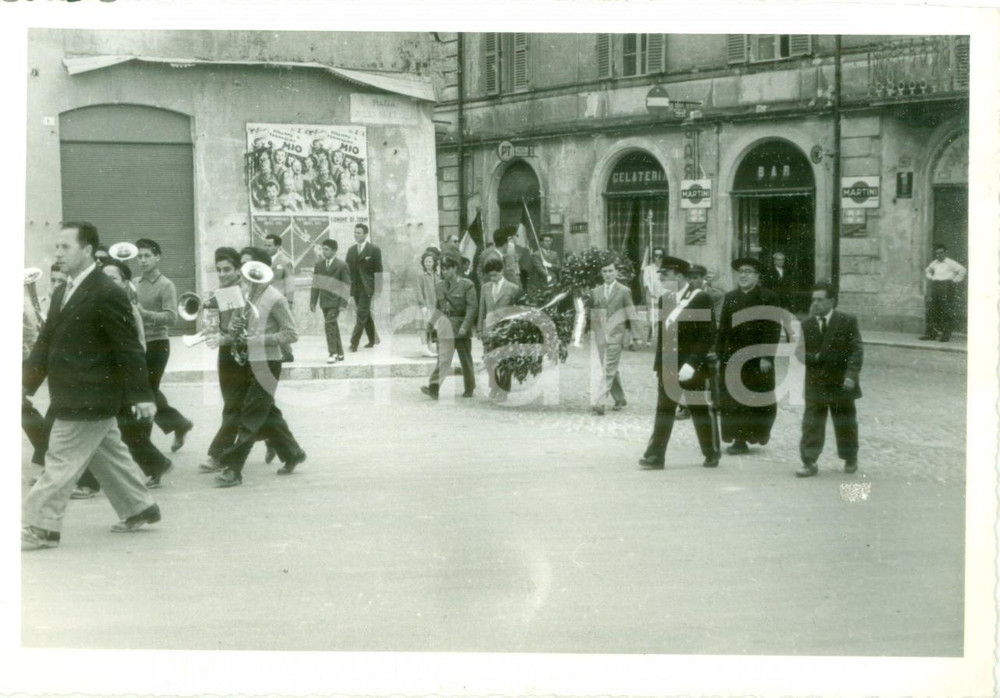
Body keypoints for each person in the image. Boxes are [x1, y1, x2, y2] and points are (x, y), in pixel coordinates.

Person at [22, 222, 161, 550]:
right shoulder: (63, 290)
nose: (57, 253)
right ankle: (139, 507)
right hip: (76, 392)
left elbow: (128, 347)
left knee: (59, 459)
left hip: (89, 395)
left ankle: (42, 528)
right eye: (56, 247)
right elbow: (45, 343)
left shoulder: (107, 291)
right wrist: (24, 385)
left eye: (65, 247)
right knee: (108, 454)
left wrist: (142, 394)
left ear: (87, 251)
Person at [73, 258, 174, 496]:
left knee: (102, 430)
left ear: (126, 283)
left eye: (114, 278)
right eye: (104, 277)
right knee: (117, 431)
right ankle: (156, 464)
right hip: (103, 379)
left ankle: (89, 482)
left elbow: (137, 348)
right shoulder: (101, 305)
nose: (107, 282)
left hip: (117, 380)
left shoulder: (127, 309)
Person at [214, 249, 307, 488]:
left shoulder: (276, 297)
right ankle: (293, 453)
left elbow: (291, 334)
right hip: (248, 362)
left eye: (250, 266)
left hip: (268, 363)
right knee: (268, 413)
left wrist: (258, 339)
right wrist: (229, 334)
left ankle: (233, 469)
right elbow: (241, 331)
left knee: (251, 415)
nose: (246, 272)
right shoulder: (247, 294)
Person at [639, 262, 721, 469]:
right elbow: (663, 337)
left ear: (681, 276)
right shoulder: (664, 299)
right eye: (661, 274)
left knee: (699, 409)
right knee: (664, 410)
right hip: (668, 365)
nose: (661, 278)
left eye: (666, 274)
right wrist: (658, 366)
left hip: (692, 366)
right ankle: (655, 456)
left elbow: (707, 334)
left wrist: (692, 363)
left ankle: (711, 451)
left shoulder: (700, 298)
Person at [716, 257, 782, 455]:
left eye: (748, 271)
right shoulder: (731, 297)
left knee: (755, 398)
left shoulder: (768, 297)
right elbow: (723, 329)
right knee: (732, 400)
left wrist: (766, 357)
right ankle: (738, 439)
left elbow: (773, 329)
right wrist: (719, 353)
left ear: (757, 275)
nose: (743, 275)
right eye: (740, 272)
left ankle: (757, 434)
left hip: (756, 359)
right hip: (732, 357)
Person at [796, 282, 863, 477]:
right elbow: (800, 353)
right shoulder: (807, 324)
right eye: (813, 300)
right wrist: (813, 357)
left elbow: (856, 350)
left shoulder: (847, 320)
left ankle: (850, 458)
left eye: (820, 299)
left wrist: (851, 375)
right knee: (811, 424)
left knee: (846, 423)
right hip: (816, 382)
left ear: (831, 301)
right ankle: (809, 461)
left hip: (841, 382)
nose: (815, 303)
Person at [134, 238, 194, 453]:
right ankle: (179, 424)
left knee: (146, 393)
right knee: (148, 392)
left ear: (157, 257)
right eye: (139, 256)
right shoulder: (133, 283)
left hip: (158, 344)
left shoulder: (166, 285)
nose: (142, 260)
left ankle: (143, 446)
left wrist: (144, 314)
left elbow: (171, 318)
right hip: (138, 344)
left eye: (147, 255)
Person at [199, 247, 246, 474]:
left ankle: (217, 454)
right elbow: (221, 326)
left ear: (238, 269)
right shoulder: (224, 290)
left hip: (242, 353)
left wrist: (222, 338)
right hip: (226, 352)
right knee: (241, 404)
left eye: (227, 269)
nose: (223, 273)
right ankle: (284, 446)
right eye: (219, 270)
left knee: (232, 405)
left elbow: (237, 329)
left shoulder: (243, 291)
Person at [421, 255, 477, 400]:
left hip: (460, 327)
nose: (444, 272)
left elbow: (472, 308)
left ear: (455, 269)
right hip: (445, 327)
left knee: (465, 359)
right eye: (442, 269)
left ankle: (469, 386)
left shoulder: (467, 285)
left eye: (447, 269)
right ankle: (434, 387)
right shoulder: (439, 286)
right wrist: (430, 324)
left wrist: (465, 327)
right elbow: (439, 308)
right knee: (443, 358)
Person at [589, 258, 638, 416]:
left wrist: (636, 336)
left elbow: (631, 312)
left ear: (616, 272)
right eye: (604, 271)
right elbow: (594, 313)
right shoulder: (595, 291)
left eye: (610, 271)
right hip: (601, 335)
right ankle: (620, 398)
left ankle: (600, 400)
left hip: (617, 334)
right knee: (610, 367)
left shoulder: (624, 290)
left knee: (609, 367)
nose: (608, 274)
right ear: (601, 273)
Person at [478, 257, 523, 400]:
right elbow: (481, 309)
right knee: (489, 359)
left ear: (502, 271)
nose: (492, 278)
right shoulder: (485, 287)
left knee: (505, 360)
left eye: (495, 275)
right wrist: (480, 329)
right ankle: (494, 386)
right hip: (489, 328)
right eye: (490, 275)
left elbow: (517, 311)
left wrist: (516, 330)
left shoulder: (513, 288)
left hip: (507, 330)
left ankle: (504, 389)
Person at [310, 239, 351, 363]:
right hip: (324, 302)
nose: (324, 252)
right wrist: (313, 301)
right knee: (333, 326)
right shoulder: (319, 265)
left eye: (327, 249)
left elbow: (346, 285)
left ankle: (332, 353)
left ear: (334, 251)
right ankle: (340, 353)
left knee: (329, 324)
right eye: (323, 249)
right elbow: (315, 284)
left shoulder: (342, 265)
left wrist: (343, 303)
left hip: (336, 302)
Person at [346, 223, 383, 351]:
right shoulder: (351, 250)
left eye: (359, 233)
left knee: (361, 313)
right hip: (355, 288)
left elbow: (379, 271)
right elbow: (347, 271)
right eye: (355, 233)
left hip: (367, 288)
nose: (356, 235)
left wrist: (378, 290)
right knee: (365, 313)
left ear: (365, 234)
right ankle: (373, 339)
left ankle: (354, 343)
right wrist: (348, 291)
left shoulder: (374, 250)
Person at [920, 243, 966, 342]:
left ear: (945, 253)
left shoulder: (950, 263)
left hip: (946, 287)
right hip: (936, 286)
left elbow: (962, 270)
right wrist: (931, 277)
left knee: (945, 311)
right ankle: (931, 334)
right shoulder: (934, 263)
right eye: (937, 253)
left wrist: (954, 281)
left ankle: (945, 335)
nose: (938, 255)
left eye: (940, 253)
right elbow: (927, 270)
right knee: (932, 310)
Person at [263, 233, 295, 363]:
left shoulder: (285, 261)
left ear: (278, 246)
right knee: (273, 327)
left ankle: (287, 353)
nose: (266, 248)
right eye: (265, 245)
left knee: (281, 327)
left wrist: (290, 301)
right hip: (265, 299)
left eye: (269, 245)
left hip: (279, 300)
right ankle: (285, 353)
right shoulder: (263, 260)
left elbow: (290, 282)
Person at [415, 250, 439, 358]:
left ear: (434, 263)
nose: (428, 264)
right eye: (426, 261)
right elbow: (418, 291)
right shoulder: (420, 275)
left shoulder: (437, 275)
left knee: (431, 327)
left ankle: (429, 346)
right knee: (423, 327)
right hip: (425, 305)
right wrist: (422, 305)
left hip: (434, 305)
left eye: (430, 261)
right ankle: (424, 347)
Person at [641, 247, 665, 341]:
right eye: (656, 256)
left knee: (664, 317)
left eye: (660, 256)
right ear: (653, 257)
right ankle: (649, 337)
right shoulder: (648, 269)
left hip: (664, 295)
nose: (658, 258)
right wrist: (651, 292)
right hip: (652, 296)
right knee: (652, 318)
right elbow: (646, 282)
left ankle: (663, 338)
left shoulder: (666, 269)